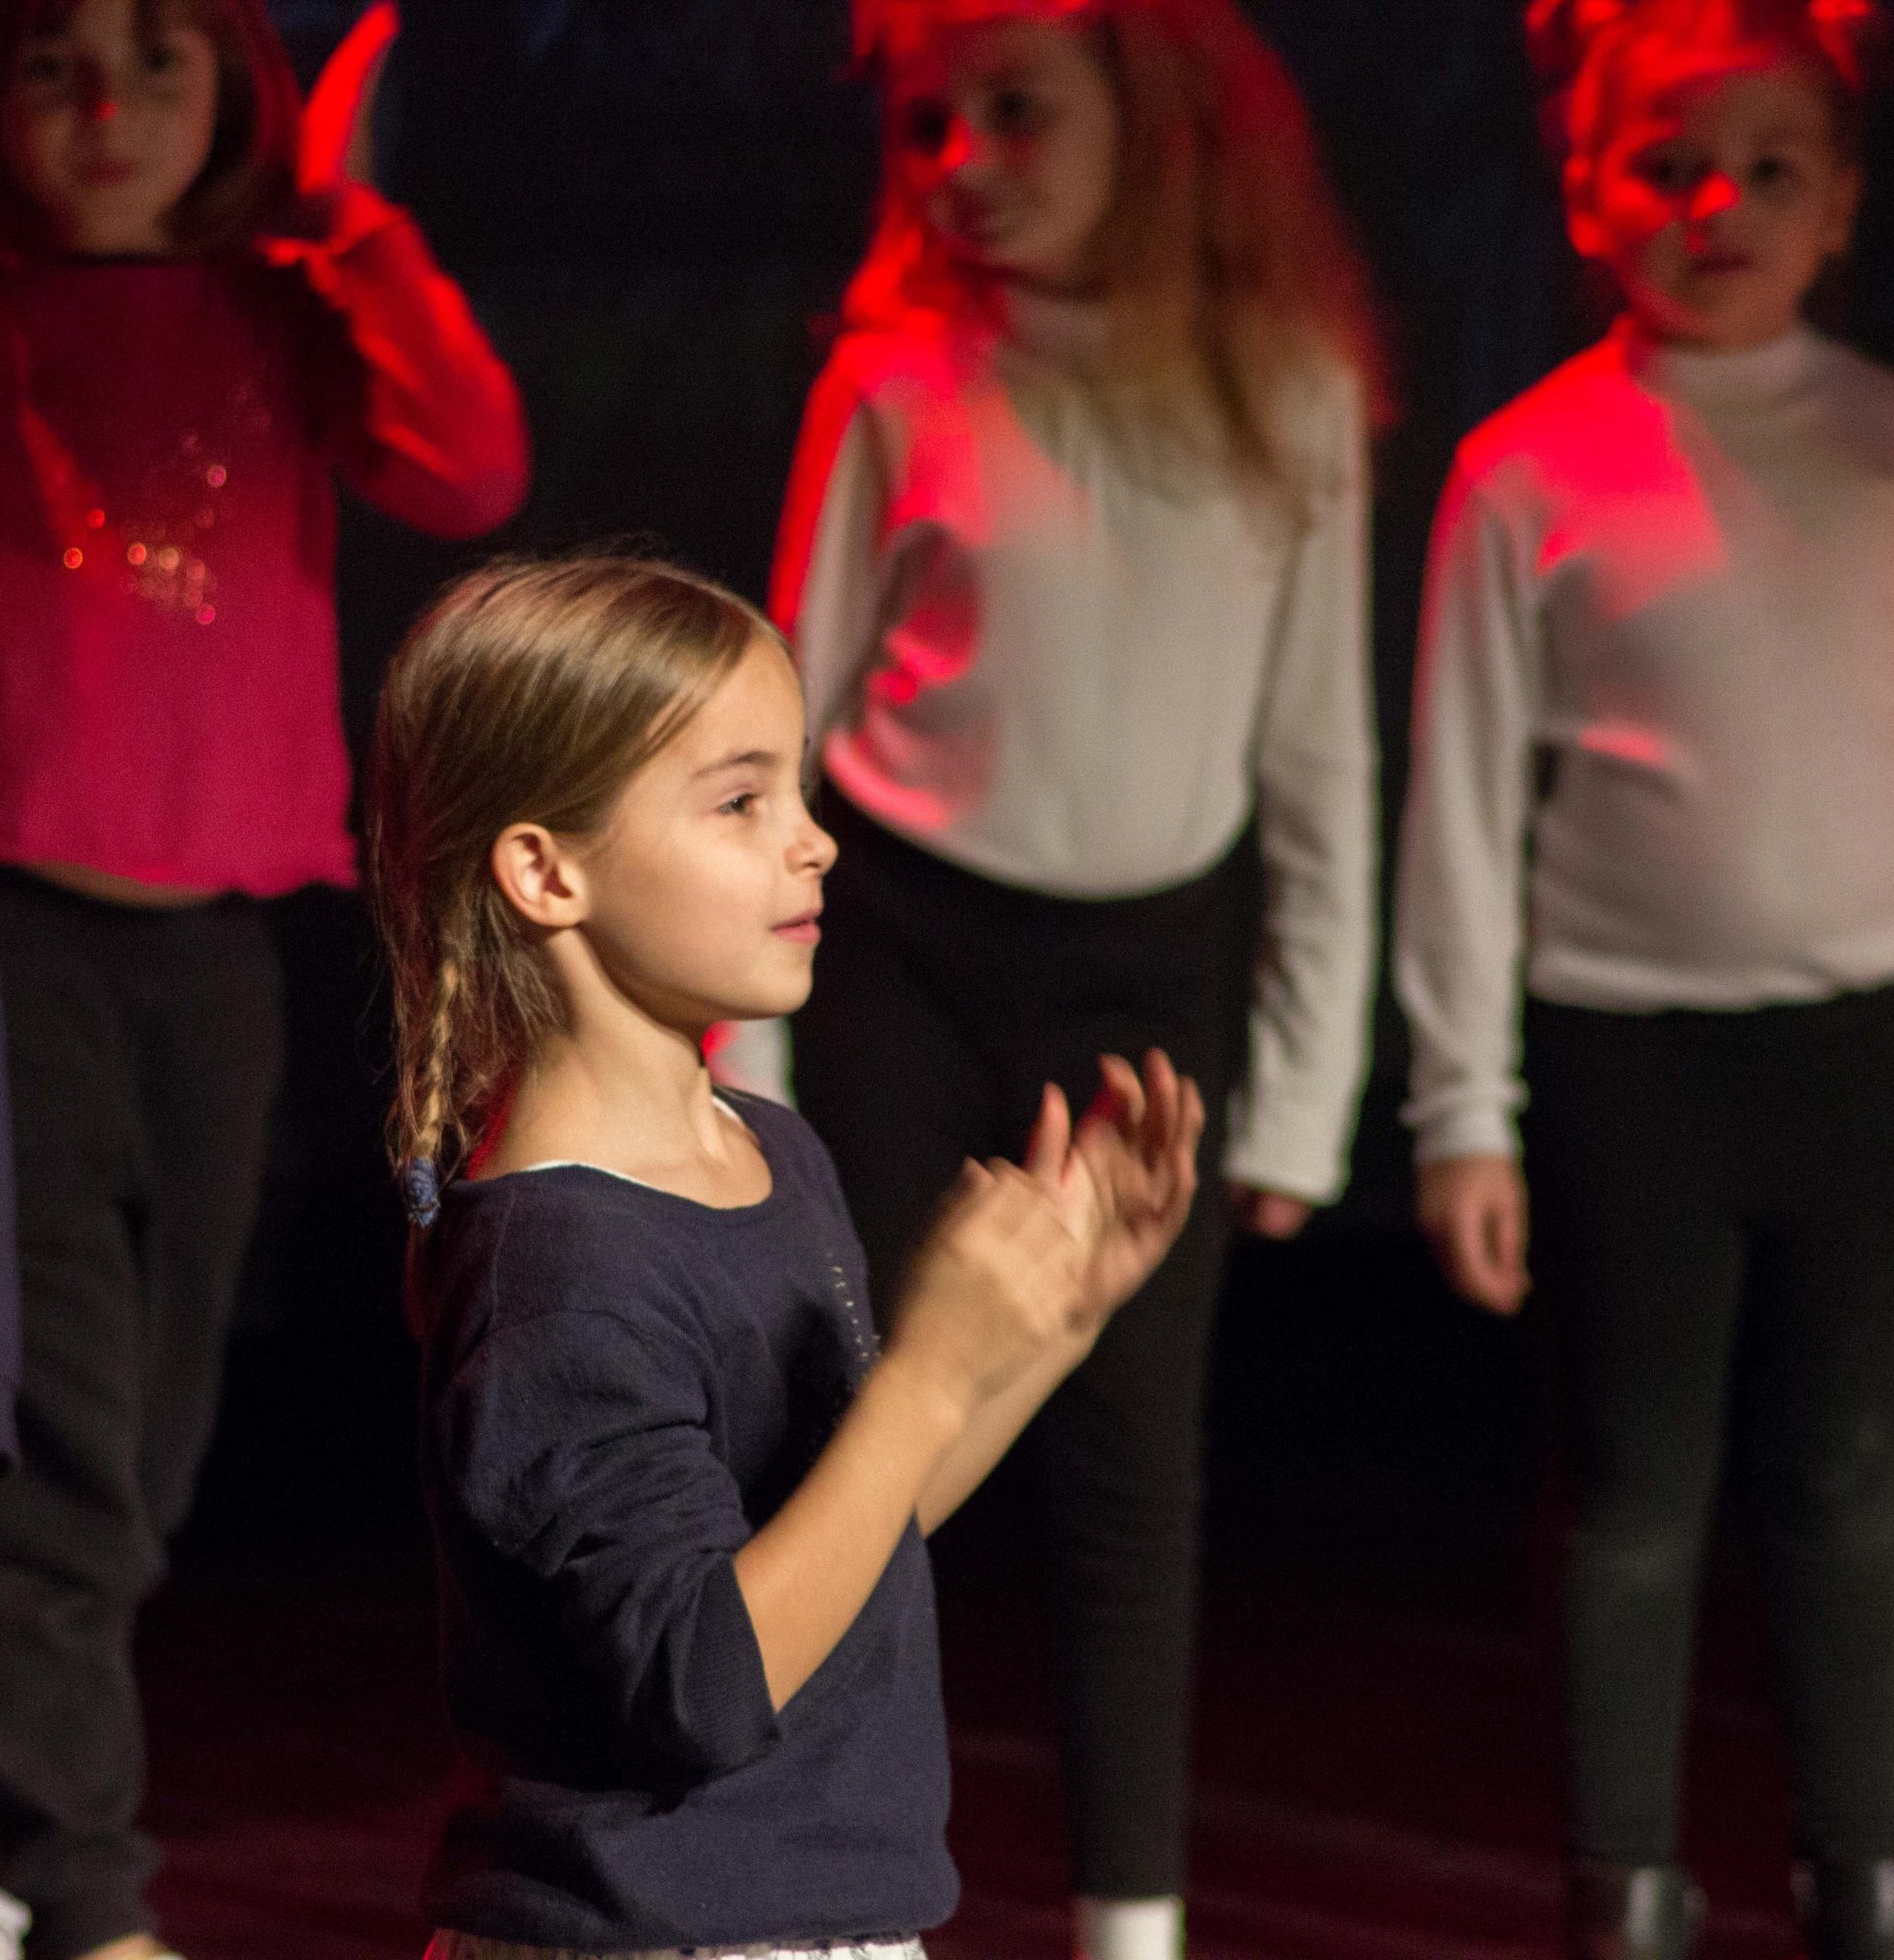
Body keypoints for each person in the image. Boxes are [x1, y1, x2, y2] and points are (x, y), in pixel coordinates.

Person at [722, 2, 1381, 1951]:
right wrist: (744, 1055)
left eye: (1014, 112)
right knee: (846, 1434)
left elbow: (1320, 759)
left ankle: (1130, 1919)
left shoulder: (1288, 383)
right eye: (927, 123)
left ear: (1156, 122)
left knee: (1121, 1470)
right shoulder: (897, 372)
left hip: (1140, 979)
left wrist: (1301, 1085)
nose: (958, 161)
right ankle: (778, 1884)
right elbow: (777, 711)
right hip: (900, 954)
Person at [0, 3, 528, 1955]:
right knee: (58, 1432)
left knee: (139, 1455)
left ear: (231, 91)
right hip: (9, 947)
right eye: (55, 62)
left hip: (226, 942)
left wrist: (342, 219)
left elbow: (467, 466)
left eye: (158, 61)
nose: (104, 108)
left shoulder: (279, 302)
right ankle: (87, 1892)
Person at [365, 554, 1203, 1959]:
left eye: (800, 789)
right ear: (545, 867)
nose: (811, 840)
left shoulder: (770, 1146)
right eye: (741, 801)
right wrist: (932, 1364)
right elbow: (702, 1677)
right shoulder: (558, 1264)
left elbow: (850, 1530)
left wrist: (1053, 1314)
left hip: (823, 1922)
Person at [1400, 2, 1894, 1952]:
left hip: (1860, 1047)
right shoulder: (1526, 468)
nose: (1714, 203)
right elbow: (1454, 809)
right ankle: (1621, 1881)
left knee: (1852, 1473)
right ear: (1584, 191)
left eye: (1766, 166)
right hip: (1624, 1057)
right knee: (1629, 1489)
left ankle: (1859, 1862)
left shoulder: (1874, 441)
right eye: (1666, 164)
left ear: (1840, 199)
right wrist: (1458, 1112)